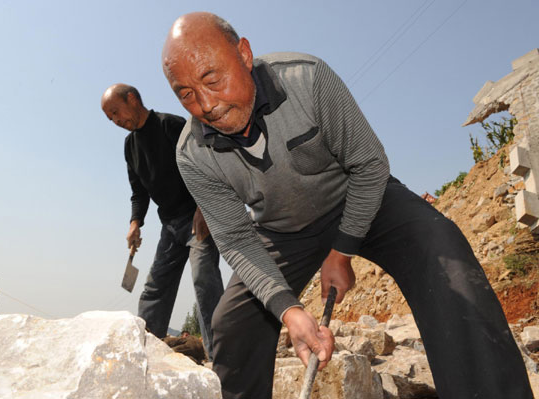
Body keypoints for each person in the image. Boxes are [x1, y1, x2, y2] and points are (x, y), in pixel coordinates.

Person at [161, 12, 534, 399]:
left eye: (212, 79)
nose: (206, 104)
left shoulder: (307, 79)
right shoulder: (192, 154)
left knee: (441, 248)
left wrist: (342, 251)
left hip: (361, 197)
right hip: (282, 231)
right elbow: (237, 239)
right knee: (231, 324)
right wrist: (289, 310)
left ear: (244, 54)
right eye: (186, 94)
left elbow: (370, 164)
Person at [101, 83, 224, 358]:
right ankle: (144, 356)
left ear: (132, 99)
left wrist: (204, 206)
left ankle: (221, 358)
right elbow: (138, 191)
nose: (116, 121)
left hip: (197, 218)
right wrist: (135, 222)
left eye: (116, 112)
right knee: (154, 289)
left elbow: (206, 164)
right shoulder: (129, 145)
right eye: (110, 118)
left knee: (204, 280)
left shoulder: (171, 125)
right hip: (170, 226)